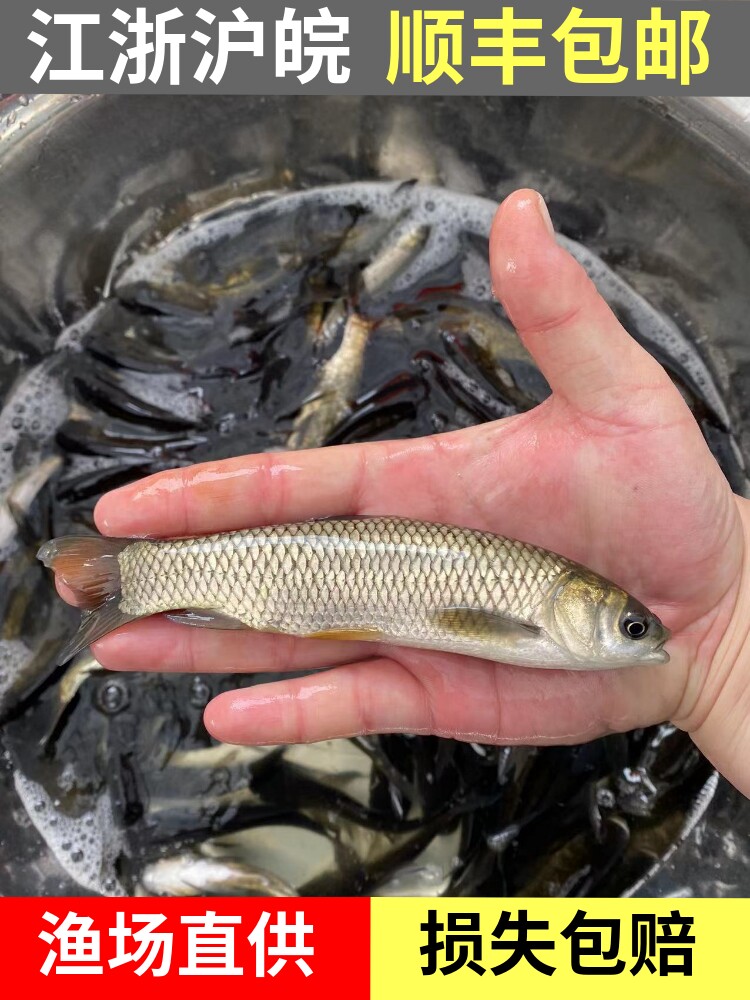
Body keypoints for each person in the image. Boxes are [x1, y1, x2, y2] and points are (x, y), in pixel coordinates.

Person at [53, 189, 750, 798]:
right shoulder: (544, 609)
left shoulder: (562, 608)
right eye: (632, 628)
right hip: (329, 578)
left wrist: (727, 644)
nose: (642, 636)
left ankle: (138, 578)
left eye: (633, 629)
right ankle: (137, 577)